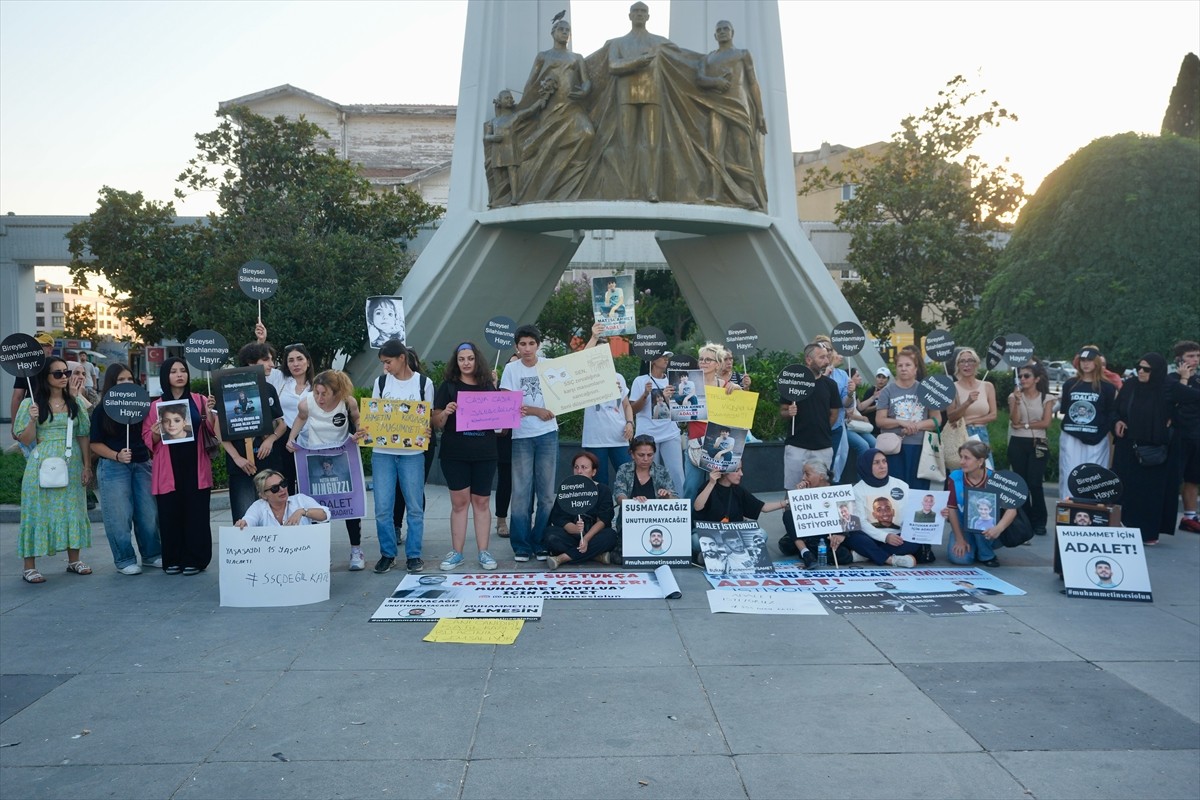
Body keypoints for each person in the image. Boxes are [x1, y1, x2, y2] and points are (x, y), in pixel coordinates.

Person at [14, 358, 94, 583]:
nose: (64, 377)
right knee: (36, 511)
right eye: (57, 374)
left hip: (71, 463)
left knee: (73, 509)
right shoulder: (30, 404)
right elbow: (24, 439)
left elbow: (83, 434)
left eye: (66, 372)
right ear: (45, 377)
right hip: (40, 463)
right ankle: (29, 567)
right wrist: (32, 420)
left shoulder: (75, 402)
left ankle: (74, 560)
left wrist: (87, 466)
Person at [286, 369, 367, 570]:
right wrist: (291, 438)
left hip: (342, 456)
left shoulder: (347, 402)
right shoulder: (306, 403)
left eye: (325, 394)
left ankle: (356, 550)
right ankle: (321, 552)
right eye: (316, 393)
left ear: (336, 392)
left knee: (350, 504)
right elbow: (300, 418)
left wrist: (360, 431)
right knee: (318, 505)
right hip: (316, 456)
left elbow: (357, 419)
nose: (320, 398)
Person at [145, 358, 219, 576]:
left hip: (195, 464)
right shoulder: (155, 406)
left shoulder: (200, 400)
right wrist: (156, 433)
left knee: (197, 513)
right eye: (174, 371)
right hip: (168, 467)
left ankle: (196, 559)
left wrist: (210, 413)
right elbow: (147, 438)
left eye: (183, 370)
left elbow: (211, 431)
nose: (179, 375)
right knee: (170, 514)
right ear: (165, 376)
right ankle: (173, 559)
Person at [367, 340, 435, 573]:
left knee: (414, 506)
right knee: (382, 507)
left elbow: (426, 417)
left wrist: (427, 429)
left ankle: (414, 554)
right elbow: (374, 415)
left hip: (412, 454)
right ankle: (388, 553)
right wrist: (366, 429)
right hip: (382, 453)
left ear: (402, 358)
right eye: (383, 363)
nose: (385, 367)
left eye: (388, 362)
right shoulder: (381, 382)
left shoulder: (424, 383)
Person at [510, 17, 594, 203]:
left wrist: (584, 90)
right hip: (550, 108)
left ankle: (573, 176)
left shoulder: (577, 58)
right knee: (549, 145)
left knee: (587, 133)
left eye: (567, 30)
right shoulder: (543, 56)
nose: (564, 32)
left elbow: (586, 81)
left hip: (572, 107)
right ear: (553, 33)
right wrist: (525, 106)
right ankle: (546, 184)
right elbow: (531, 83)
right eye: (561, 29)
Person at [432, 342, 499, 572]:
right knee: (459, 503)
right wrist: (445, 412)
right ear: (456, 361)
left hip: (485, 453)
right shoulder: (448, 386)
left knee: (481, 502)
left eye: (470, 358)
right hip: (455, 454)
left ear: (476, 360)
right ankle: (457, 552)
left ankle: (484, 551)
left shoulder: (488, 386)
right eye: (462, 359)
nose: (466, 363)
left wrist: (510, 412)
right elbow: (435, 422)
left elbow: (500, 422)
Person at [89, 364, 161, 574]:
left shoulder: (143, 406)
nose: (126, 383)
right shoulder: (102, 409)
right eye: (121, 380)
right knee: (119, 516)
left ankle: (152, 554)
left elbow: (149, 438)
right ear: (112, 383)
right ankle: (124, 559)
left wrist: (155, 434)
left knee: (148, 513)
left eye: (130, 379)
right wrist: (116, 455)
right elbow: (95, 444)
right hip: (113, 467)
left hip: (142, 464)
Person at [500, 325, 559, 562]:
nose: (527, 348)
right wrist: (537, 410)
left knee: (546, 495)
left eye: (531, 344)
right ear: (516, 347)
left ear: (538, 345)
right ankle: (521, 544)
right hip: (521, 436)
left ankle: (541, 541)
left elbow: (571, 383)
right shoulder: (511, 369)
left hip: (548, 434)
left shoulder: (549, 365)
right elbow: (508, 403)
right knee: (521, 493)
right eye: (522, 344)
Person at [696, 19, 767, 208]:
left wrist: (760, 114)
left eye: (725, 29)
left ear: (732, 33)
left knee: (742, 152)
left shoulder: (743, 54)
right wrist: (716, 82)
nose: (722, 32)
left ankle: (748, 195)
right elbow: (700, 79)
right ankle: (715, 192)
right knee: (715, 150)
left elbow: (753, 83)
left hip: (739, 107)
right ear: (714, 35)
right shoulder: (707, 59)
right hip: (716, 107)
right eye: (718, 30)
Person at [1112, 353, 1179, 545]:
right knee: (1124, 488)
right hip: (1127, 446)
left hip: (1152, 449)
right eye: (1139, 367)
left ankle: (1147, 533)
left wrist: (1173, 418)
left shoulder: (1166, 387)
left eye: (1146, 369)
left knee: (1148, 492)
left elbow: (1190, 402)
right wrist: (1117, 421)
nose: (1141, 371)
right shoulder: (1131, 385)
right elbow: (1115, 409)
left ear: (1156, 371)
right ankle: (1121, 528)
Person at [607, 1, 670, 201]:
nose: (640, 14)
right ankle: (629, 189)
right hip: (627, 95)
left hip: (652, 94)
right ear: (630, 15)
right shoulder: (617, 43)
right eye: (636, 11)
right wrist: (637, 61)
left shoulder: (660, 42)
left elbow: (683, 60)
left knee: (652, 144)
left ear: (648, 16)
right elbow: (612, 66)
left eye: (643, 11)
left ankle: (651, 189)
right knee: (627, 144)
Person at [222, 342, 288, 524]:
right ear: (251, 362)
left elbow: (281, 424)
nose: (272, 365)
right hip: (241, 467)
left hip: (268, 463)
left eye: (272, 360)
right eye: (266, 360)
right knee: (244, 520)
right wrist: (237, 458)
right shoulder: (229, 387)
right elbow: (219, 430)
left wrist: (270, 440)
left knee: (274, 516)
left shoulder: (269, 389)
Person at [693, 464, 786, 564]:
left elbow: (763, 507)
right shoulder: (708, 486)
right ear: (725, 472)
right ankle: (726, 555)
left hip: (734, 537)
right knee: (695, 540)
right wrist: (711, 483)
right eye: (737, 470)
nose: (741, 474)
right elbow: (698, 506)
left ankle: (715, 556)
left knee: (762, 534)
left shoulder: (739, 490)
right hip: (712, 535)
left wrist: (787, 503)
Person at [845, 449, 922, 568]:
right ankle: (890, 559)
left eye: (884, 461)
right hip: (870, 537)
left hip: (897, 537)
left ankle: (866, 555)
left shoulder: (901, 485)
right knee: (854, 537)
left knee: (915, 540)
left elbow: (910, 514)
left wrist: (938, 513)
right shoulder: (857, 490)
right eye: (876, 463)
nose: (882, 466)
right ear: (866, 466)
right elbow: (861, 522)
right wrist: (885, 537)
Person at [1058, 345, 1118, 498]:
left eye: (1089, 360)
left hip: (1097, 437)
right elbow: (1065, 409)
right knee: (1069, 471)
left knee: (1094, 475)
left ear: (1096, 362)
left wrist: (1101, 434)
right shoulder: (1070, 384)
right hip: (1071, 436)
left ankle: (1092, 508)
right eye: (1083, 360)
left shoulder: (1107, 387)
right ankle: (1067, 506)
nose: (1085, 363)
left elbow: (1110, 413)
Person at [946, 441, 1017, 567]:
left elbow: (1012, 509)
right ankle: (974, 546)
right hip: (963, 527)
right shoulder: (954, 477)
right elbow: (952, 509)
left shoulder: (995, 479)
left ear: (980, 461)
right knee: (960, 559)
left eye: (967, 458)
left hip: (988, 526)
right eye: (961, 457)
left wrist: (998, 528)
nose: (961, 462)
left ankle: (986, 554)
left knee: (980, 518)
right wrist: (959, 539)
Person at [780, 342, 840, 489]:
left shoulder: (830, 385)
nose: (826, 361)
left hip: (823, 446)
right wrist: (789, 412)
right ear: (808, 359)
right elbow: (782, 411)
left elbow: (834, 414)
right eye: (822, 357)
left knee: (821, 490)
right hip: (796, 445)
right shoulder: (792, 383)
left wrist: (822, 428)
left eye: (827, 357)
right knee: (793, 490)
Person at [545, 451, 620, 569]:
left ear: (593, 472)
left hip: (593, 535)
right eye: (576, 467)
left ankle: (563, 558)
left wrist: (586, 538)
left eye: (584, 468)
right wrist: (573, 528)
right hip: (572, 536)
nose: (579, 471)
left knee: (610, 536)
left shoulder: (603, 490)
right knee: (550, 535)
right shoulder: (566, 489)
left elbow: (603, 520)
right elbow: (558, 517)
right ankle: (595, 556)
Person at [580, 323, 634, 485]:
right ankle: (603, 504)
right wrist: (594, 336)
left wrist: (630, 423)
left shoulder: (618, 377)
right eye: (598, 352)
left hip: (619, 437)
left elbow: (626, 405)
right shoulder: (586, 376)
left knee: (628, 479)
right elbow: (580, 360)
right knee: (599, 482)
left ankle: (624, 504)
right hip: (595, 439)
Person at [875, 349, 937, 490]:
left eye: (908, 365)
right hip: (894, 448)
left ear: (915, 368)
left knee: (918, 489)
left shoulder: (927, 390)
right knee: (895, 489)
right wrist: (900, 422)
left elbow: (936, 420)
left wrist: (917, 425)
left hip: (920, 448)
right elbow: (880, 420)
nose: (903, 368)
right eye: (900, 365)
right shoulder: (887, 391)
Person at [1007, 361, 1056, 535]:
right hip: (1017, 442)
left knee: (1035, 482)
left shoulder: (1046, 398)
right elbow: (1014, 420)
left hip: (1038, 442)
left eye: (1026, 376)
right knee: (1021, 484)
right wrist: (1017, 401)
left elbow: (1046, 423)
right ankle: (1025, 519)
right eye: (1020, 376)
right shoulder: (1014, 396)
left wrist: (1026, 425)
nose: (1022, 379)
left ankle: (1040, 521)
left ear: (1036, 379)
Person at [777, 458, 853, 568]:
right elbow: (792, 515)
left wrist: (842, 534)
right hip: (808, 532)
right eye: (803, 474)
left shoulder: (837, 489)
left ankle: (808, 549)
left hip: (828, 534)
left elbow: (848, 516)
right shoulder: (806, 489)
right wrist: (800, 496)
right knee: (786, 537)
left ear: (821, 476)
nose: (803, 478)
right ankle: (806, 552)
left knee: (841, 554)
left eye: (807, 474)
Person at [482, 88, 549, 206]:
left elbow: (530, 111)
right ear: (500, 102)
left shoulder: (515, 117)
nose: (510, 100)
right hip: (497, 150)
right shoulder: (493, 121)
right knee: (497, 173)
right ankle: (497, 198)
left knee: (512, 170)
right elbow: (486, 136)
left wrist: (542, 100)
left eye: (511, 98)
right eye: (506, 98)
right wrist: (492, 137)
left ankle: (514, 196)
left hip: (510, 148)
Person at [629, 351, 684, 493]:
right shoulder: (640, 381)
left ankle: (681, 503)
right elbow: (633, 410)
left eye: (667, 357)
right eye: (662, 357)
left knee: (676, 473)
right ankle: (650, 503)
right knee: (649, 473)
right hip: (647, 436)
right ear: (652, 361)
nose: (666, 359)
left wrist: (670, 399)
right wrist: (645, 394)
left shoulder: (673, 380)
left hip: (670, 434)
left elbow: (681, 411)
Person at [613, 435, 677, 530]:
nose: (646, 459)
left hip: (658, 523)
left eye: (650, 455)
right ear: (632, 454)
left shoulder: (662, 471)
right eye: (641, 455)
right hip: (629, 523)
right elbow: (619, 494)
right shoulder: (624, 469)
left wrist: (667, 496)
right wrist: (632, 503)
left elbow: (675, 498)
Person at [947, 347, 998, 463]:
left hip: (982, 432)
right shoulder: (953, 388)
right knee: (964, 467)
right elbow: (951, 417)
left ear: (976, 364)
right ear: (957, 365)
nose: (967, 365)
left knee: (985, 468)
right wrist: (967, 402)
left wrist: (970, 421)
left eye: (970, 360)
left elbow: (993, 415)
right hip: (962, 433)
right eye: (962, 361)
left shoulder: (988, 386)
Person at [234, 469, 330, 528]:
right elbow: (250, 519)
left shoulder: (300, 499)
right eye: (274, 488)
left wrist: (302, 511)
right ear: (263, 495)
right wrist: (243, 524)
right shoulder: (258, 506)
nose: (282, 489)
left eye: (283, 484)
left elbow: (325, 515)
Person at [277, 342, 315, 492]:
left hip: (311, 438)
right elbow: (260, 366)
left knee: (311, 482)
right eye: (291, 360)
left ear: (308, 361)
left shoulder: (317, 385)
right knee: (287, 482)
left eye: (299, 359)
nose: (296, 364)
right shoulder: (280, 382)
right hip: (285, 438)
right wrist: (261, 341)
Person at [1171, 340, 1200, 533]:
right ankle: (1163, 516)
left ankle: (1189, 517)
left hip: (1196, 435)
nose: (1195, 359)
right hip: (1177, 436)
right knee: (1173, 478)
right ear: (1179, 359)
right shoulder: (1171, 379)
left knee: (1193, 477)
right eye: (1190, 356)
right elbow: (1175, 400)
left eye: (1197, 356)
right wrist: (1184, 378)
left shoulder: (1198, 380)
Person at [857, 367, 891, 436]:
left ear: (888, 379)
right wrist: (876, 406)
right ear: (876, 378)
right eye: (879, 377)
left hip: (884, 430)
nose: (881, 380)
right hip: (870, 428)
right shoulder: (870, 391)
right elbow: (862, 410)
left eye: (884, 377)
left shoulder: (890, 392)